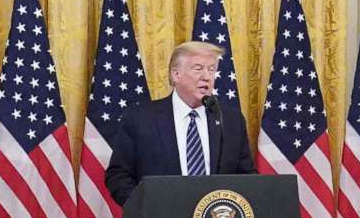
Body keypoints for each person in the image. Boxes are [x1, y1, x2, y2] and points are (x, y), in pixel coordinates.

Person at [102, 40, 255, 204]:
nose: (207, 77)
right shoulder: (141, 118)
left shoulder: (230, 120)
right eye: (198, 69)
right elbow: (118, 174)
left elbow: (246, 176)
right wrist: (143, 208)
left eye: (211, 70)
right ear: (176, 75)